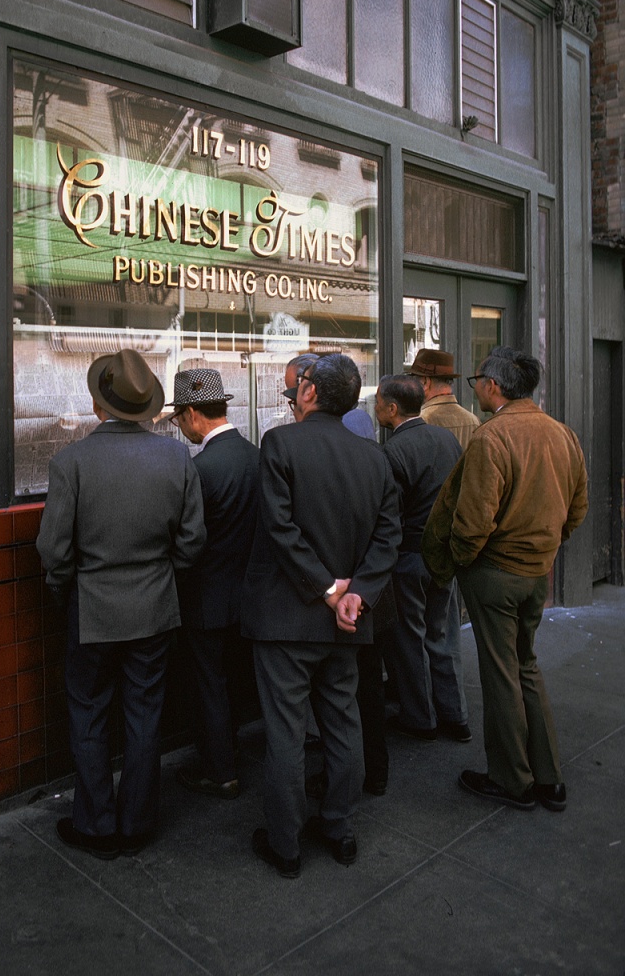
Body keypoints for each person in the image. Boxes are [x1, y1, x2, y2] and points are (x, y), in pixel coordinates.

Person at [37, 349, 206, 859]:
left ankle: (95, 824)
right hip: (155, 608)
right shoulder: (176, 457)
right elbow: (193, 541)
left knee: (88, 715)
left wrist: (63, 589)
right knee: (143, 714)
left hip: (92, 611)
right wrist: (160, 575)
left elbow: (53, 549)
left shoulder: (70, 462)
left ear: (98, 405)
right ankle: (137, 823)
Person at [242, 355, 401, 878]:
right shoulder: (374, 457)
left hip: (289, 619)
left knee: (286, 733)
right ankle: (339, 828)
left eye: (301, 385)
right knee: (342, 723)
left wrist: (328, 589)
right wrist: (358, 594)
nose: (297, 392)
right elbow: (387, 538)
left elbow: (280, 530)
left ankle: (285, 845)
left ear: (309, 394)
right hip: (347, 621)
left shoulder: (280, 444)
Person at [421, 347, 588, 812]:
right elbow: (577, 509)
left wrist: (457, 561)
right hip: (537, 571)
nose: (474, 386)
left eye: (477, 379)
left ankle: (512, 779)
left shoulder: (493, 438)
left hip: (495, 572)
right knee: (525, 666)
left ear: (493, 386)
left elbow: (472, 522)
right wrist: (545, 545)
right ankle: (548, 777)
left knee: (501, 676)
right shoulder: (562, 434)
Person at [169, 368, 259, 800]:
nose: (180, 428)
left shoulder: (199, 469)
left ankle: (220, 770)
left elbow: (188, 539)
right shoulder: (256, 455)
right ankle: (234, 751)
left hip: (206, 598)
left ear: (191, 414)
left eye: (177, 419)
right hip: (249, 595)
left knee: (209, 685)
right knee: (237, 680)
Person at [374, 374, 469, 742]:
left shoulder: (393, 451)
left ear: (393, 408)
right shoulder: (446, 440)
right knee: (443, 635)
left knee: (410, 640)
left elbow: (390, 515)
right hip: (443, 554)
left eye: (380, 402)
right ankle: (455, 715)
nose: (377, 407)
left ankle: (420, 717)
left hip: (410, 557)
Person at [409, 348, 480, 450]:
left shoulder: (420, 420)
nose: (412, 385)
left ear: (425, 382)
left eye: (414, 379)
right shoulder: (473, 421)